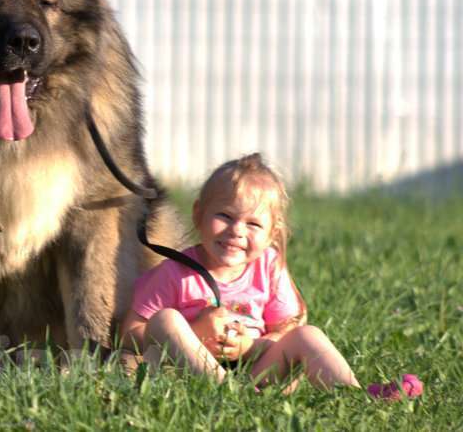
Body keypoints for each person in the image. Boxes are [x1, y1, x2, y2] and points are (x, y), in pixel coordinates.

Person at [120, 153, 422, 399]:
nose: (237, 230)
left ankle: (353, 397)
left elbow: (288, 326)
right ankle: (223, 391)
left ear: (272, 234)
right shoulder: (176, 272)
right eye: (224, 216)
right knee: (165, 319)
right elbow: (129, 331)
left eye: (253, 224)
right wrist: (197, 333)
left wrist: (251, 346)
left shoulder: (268, 267)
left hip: (257, 374)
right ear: (198, 214)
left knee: (307, 334)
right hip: (190, 378)